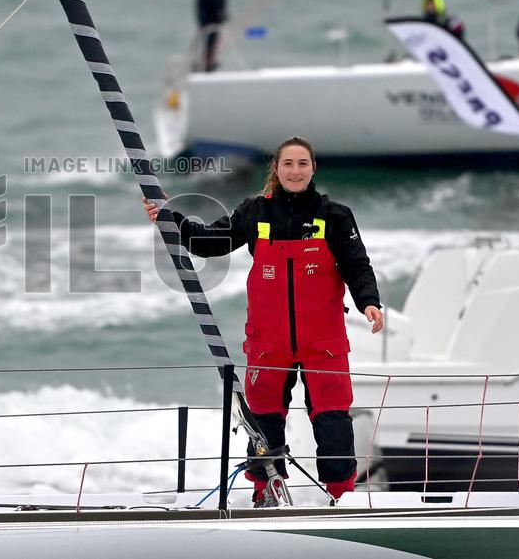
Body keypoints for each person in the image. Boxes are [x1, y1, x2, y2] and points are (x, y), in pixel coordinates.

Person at [142, 136, 383, 505]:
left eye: (303, 164)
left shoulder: (335, 215)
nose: (295, 171)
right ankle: (265, 491)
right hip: (268, 340)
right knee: (265, 418)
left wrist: (369, 302)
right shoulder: (254, 211)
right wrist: (171, 220)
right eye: (288, 164)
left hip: (324, 341)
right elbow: (212, 242)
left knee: (333, 420)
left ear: (313, 168)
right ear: (277, 168)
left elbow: (356, 265)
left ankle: (341, 496)